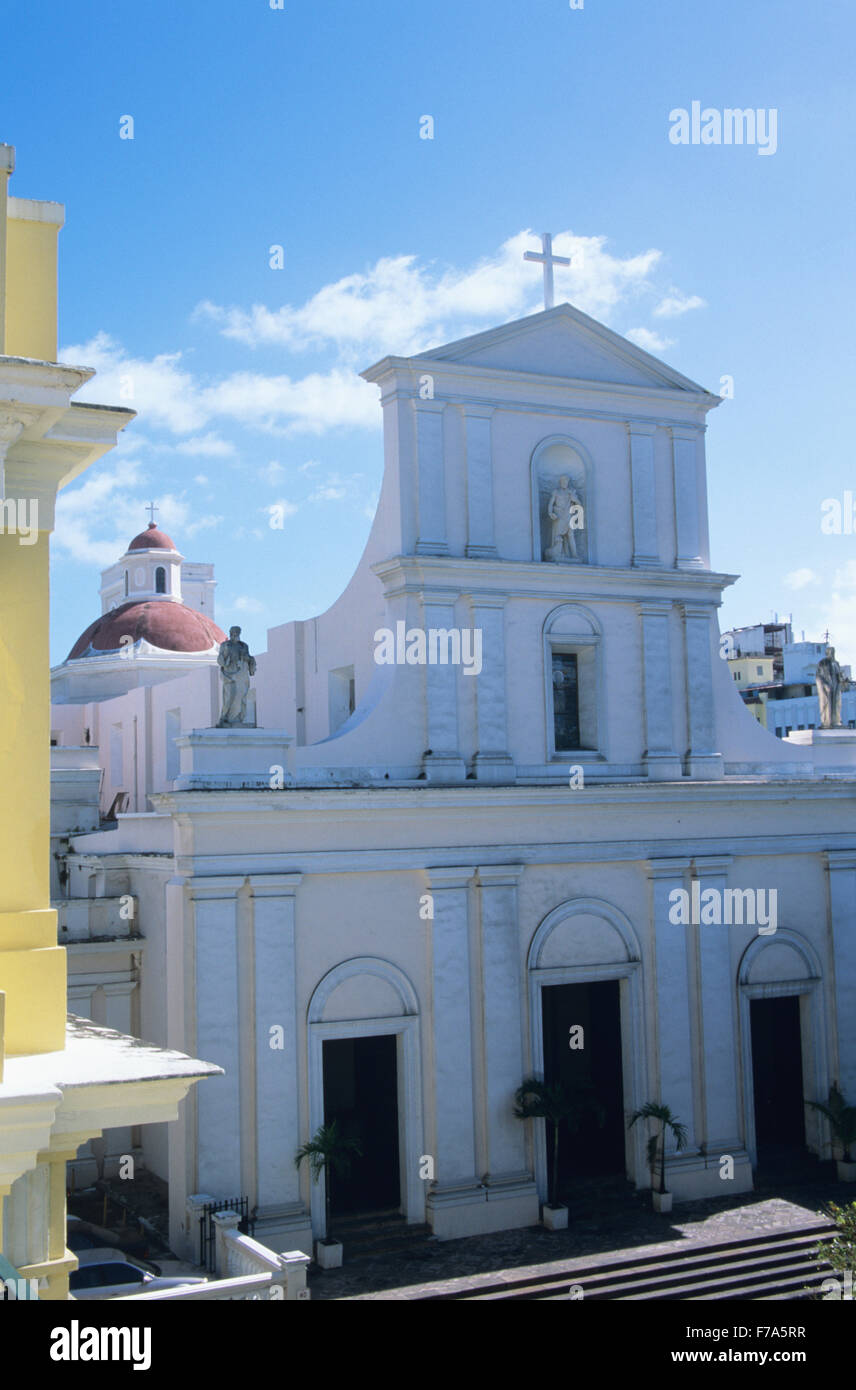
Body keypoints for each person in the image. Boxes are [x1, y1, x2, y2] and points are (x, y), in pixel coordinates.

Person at [217, 626, 256, 727]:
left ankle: (238, 718)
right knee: (229, 697)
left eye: (237, 632)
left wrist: (248, 658)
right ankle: (225, 718)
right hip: (229, 675)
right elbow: (220, 660)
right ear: (230, 633)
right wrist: (225, 659)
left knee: (241, 697)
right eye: (233, 632)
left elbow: (249, 658)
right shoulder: (225, 645)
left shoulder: (244, 646)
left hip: (241, 675)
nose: (235, 634)